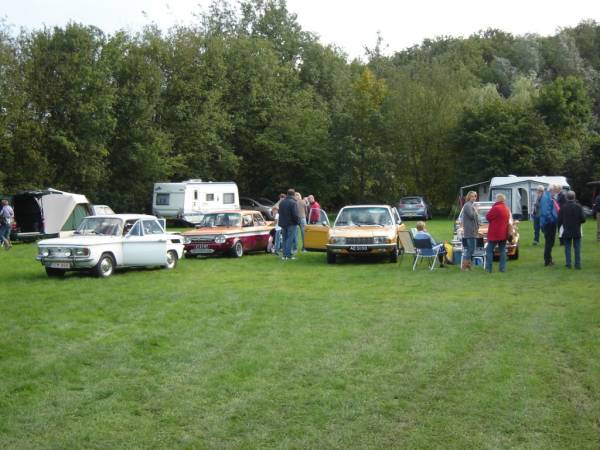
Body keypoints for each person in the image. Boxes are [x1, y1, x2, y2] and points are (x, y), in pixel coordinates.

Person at [557, 190, 586, 269]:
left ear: (566, 197)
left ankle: (568, 264)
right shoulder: (579, 206)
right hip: (577, 229)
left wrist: (559, 229)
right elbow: (583, 219)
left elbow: (559, 220)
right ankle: (577, 264)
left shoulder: (563, 207)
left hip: (566, 230)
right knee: (577, 248)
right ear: (574, 197)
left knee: (567, 248)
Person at [485, 193, 510, 273]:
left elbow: (488, 217)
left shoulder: (495, 208)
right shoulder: (506, 208)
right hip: (503, 233)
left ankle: (489, 269)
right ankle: (502, 269)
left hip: (495, 233)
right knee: (502, 251)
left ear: (498, 199)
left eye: (496, 198)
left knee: (489, 250)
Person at [540, 184, 561, 266]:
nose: (556, 192)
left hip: (551, 223)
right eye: (555, 191)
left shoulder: (550, 197)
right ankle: (547, 261)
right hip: (548, 223)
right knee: (549, 242)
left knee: (551, 242)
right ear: (551, 190)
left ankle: (549, 259)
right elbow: (546, 212)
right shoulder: (546, 197)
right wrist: (552, 220)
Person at [278, 189, 299, 260]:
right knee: (290, 239)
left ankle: (284, 255)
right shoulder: (293, 202)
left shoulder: (282, 202)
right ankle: (288, 255)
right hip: (291, 223)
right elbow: (295, 214)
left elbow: (280, 213)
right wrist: (298, 221)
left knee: (284, 239)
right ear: (293, 194)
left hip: (283, 223)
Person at [460, 191, 479, 271]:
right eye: (472, 196)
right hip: (470, 230)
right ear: (468, 197)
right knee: (471, 249)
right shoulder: (467, 205)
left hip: (473, 230)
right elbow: (471, 216)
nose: (474, 198)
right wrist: (476, 210)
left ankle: (468, 266)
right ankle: (464, 266)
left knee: (471, 249)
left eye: (475, 196)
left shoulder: (471, 205)